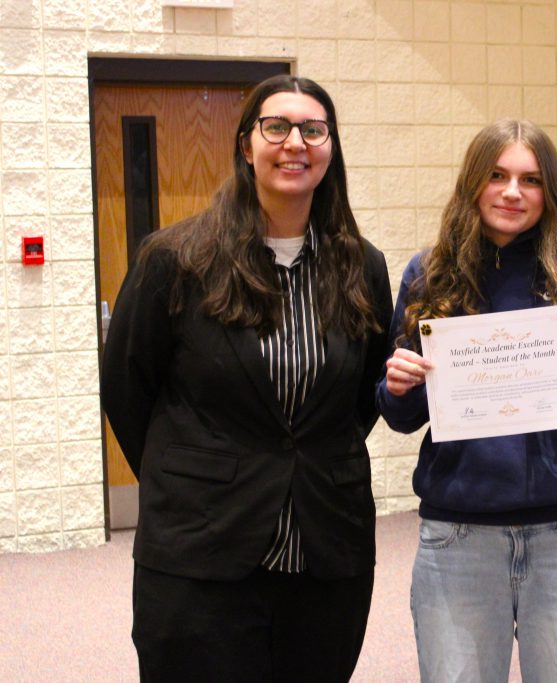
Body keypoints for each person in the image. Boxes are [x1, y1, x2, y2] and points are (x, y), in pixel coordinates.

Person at [100, 75, 392, 682]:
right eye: (277, 127)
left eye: (313, 129)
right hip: (201, 550)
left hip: (324, 549)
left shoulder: (361, 265)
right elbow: (128, 389)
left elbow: (359, 400)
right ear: (245, 144)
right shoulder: (176, 258)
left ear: (331, 148)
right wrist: (193, 472)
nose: (295, 143)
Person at [377, 119, 557, 682]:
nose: (513, 192)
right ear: (473, 183)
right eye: (497, 176)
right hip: (458, 535)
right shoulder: (429, 273)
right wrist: (397, 386)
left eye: (531, 179)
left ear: (551, 191)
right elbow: (401, 414)